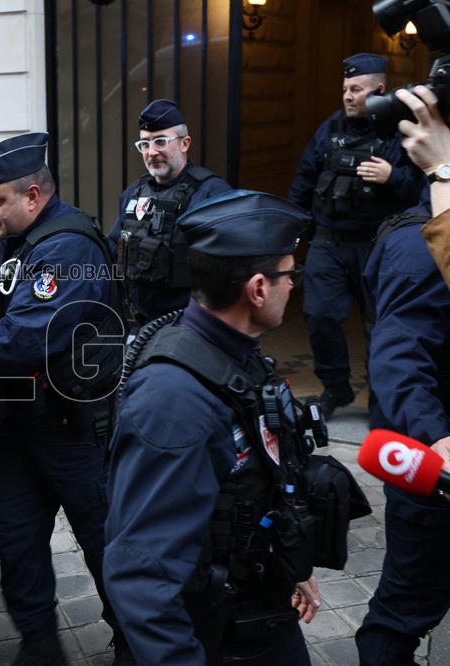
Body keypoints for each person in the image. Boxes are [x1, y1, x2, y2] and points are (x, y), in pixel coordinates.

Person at [104, 190, 326, 664]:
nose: (294, 286)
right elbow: (142, 575)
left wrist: (290, 566)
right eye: (291, 274)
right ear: (259, 289)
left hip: (260, 606)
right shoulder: (174, 398)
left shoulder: (234, 354)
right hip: (214, 635)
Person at [0, 132, 125, 665]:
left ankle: (134, 643)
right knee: (18, 535)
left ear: (32, 195)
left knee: (105, 546)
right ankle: (40, 643)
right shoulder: (10, 242)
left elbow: (28, 338)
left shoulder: (66, 247)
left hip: (76, 431)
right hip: (24, 424)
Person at [353, 84, 450, 665]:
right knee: (397, 617)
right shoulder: (419, 245)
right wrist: (438, 441)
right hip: (435, 474)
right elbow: (399, 355)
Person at [288, 53, 423, 417]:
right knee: (319, 315)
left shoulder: (402, 132)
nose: (347, 96)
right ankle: (336, 388)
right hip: (329, 241)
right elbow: (303, 182)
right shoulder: (329, 130)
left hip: (380, 244)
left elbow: (425, 192)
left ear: (380, 90)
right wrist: (289, 235)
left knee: (382, 326)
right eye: (345, 89)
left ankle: (382, 397)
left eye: (356, 89)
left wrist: (392, 178)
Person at [110, 98, 232, 330]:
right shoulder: (134, 193)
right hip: (137, 323)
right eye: (145, 144)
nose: (151, 152)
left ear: (185, 144)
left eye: (160, 141)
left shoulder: (210, 195)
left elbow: (226, 272)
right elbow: (112, 249)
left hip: (187, 327)